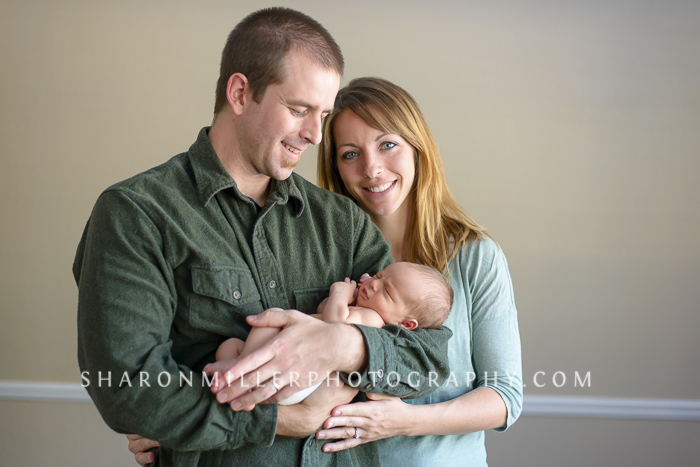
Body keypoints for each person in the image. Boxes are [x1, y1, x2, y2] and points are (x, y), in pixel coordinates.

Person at [75, 8, 451, 467]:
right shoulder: (137, 214)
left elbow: (430, 359)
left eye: (324, 115)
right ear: (239, 93)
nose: (316, 135)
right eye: (299, 110)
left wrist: (346, 346)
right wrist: (284, 418)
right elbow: (128, 388)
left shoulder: (341, 222)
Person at [311, 77, 523, 465]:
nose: (372, 169)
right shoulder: (325, 257)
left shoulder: (475, 256)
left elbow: (505, 397)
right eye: (349, 153)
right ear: (336, 168)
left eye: (387, 144)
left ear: (417, 149)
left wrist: (405, 421)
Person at [209, 262, 453, 406]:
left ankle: (245, 371)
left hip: (301, 378)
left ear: (406, 324)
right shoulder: (362, 309)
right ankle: (238, 367)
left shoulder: (373, 319)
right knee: (229, 345)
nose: (374, 284)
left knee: (271, 319)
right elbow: (322, 310)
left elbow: (334, 324)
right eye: (379, 276)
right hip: (289, 369)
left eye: (386, 292)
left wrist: (339, 293)